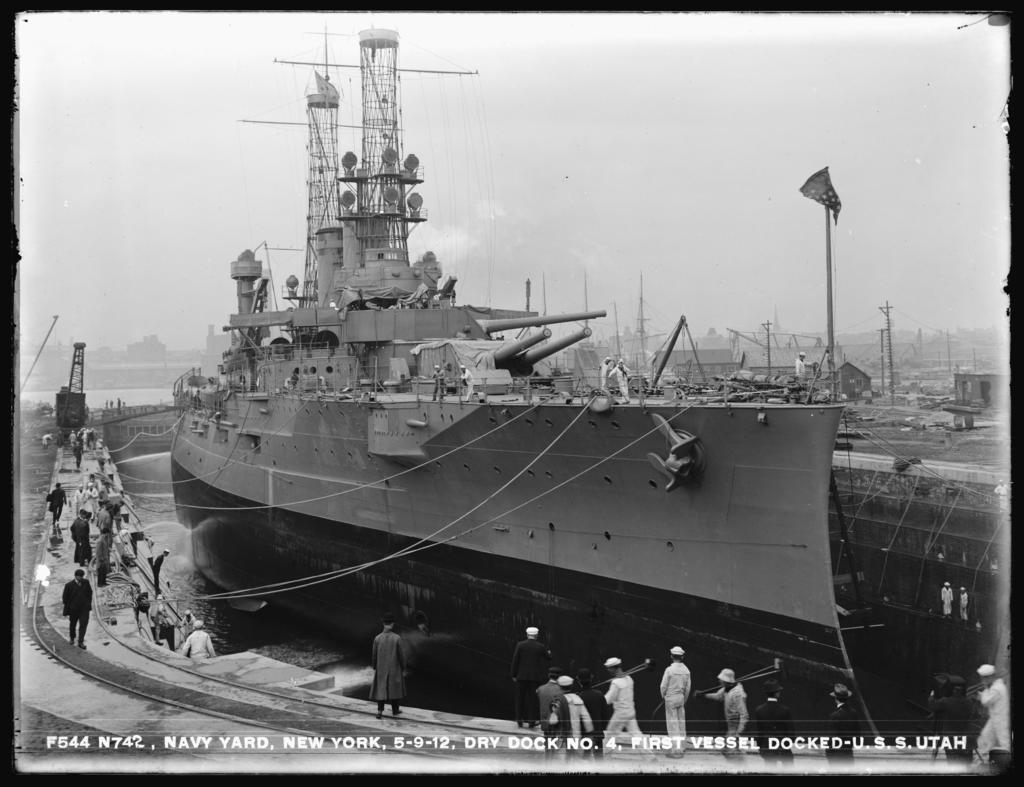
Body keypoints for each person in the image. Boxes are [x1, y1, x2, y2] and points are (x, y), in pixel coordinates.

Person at [927, 677, 975, 769]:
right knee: (967, 764)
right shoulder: (969, 702)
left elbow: (932, 705)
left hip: (951, 739)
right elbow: (976, 715)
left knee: (954, 764)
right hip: (967, 739)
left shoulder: (945, 701)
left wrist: (932, 695)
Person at [511, 625, 551, 728]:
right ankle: (531, 721)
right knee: (532, 700)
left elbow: (515, 660)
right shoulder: (540, 646)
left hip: (521, 676)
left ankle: (519, 720)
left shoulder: (520, 645)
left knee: (520, 698)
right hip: (535, 678)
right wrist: (549, 653)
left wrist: (514, 674)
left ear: (527, 634)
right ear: (536, 635)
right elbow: (548, 658)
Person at [703, 668, 749, 754]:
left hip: (735, 724)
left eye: (721, 679)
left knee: (729, 751)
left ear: (726, 681)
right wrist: (704, 695)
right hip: (730, 724)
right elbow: (718, 696)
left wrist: (738, 732)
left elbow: (744, 715)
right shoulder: (726, 688)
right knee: (729, 749)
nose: (719, 680)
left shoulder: (738, 694)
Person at [752, 679, 795, 768]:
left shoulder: (759, 710)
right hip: (783, 746)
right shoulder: (785, 710)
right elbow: (791, 732)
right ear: (777, 693)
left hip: (767, 746)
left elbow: (760, 732)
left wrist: (760, 747)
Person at [370, 613, 406, 719]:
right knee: (394, 689)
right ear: (392, 624)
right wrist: (403, 667)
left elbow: (374, 655)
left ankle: (380, 712)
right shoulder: (397, 638)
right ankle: (395, 711)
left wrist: (375, 666)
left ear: (383, 623)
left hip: (381, 668)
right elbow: (401, 655)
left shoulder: (377, 638)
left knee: (381, 689)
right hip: (394, 668)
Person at [975, 664, 1010, 774]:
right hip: (995, 719)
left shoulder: (997, 689)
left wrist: (981, 695)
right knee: (984, 740)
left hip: (1000, 721)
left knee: (1005, 744)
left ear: (990, 677)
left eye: (984, 678)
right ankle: (983, 763)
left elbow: (986, 701)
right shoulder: (994, 686)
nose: (982, 680)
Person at [660, 646, 691, 756]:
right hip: (681, 698)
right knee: (681, 722)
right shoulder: (686, 670)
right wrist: (684, 699)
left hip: (671, 698)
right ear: (682, 657)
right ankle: (682, 747)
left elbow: (663, 686)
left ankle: (676, 751)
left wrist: (663, 697)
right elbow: (688, 688)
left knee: (673, 725)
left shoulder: (669, 670)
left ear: (671, 656)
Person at [824, 683, 861, 767]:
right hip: (849, 755)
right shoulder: (854, 713)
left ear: (836, 699)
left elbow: (832, 739)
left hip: (837, 757)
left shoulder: (834, 716)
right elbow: (858, 735)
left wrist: (829, 754)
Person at [603, 657, 641, 737]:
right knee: (637, 735)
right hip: (630, 712)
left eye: (609, 668)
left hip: (621, 714)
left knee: (609, 736)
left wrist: (599, 699)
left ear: (614, 668)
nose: (608, 670)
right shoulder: (629, 679)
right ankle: (646, 750)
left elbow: (608, 700)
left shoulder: (616, 683)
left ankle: (607, 750)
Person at [558, 674, 593, 759]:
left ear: (560, 687)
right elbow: (587, 718)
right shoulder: (578, 699)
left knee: (561, 759)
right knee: (574, 758)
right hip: (575, 734)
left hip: (560, 735)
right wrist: (589, 731)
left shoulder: (558, 700)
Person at [576, 668, 608, 759]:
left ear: (578, 680)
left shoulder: (578, 697)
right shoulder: (599, 694)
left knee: (586, 758)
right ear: (591, 678)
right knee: (599, 758)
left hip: (585, 733)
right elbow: (605, 714)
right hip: (598, 732)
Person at [61, 568, 92, 649]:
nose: (81, 578)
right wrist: (70, 607)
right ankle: (72, 638)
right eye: (79, 577)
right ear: (75, 576)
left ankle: (81, 641)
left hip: (84, 609)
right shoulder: (69, 585)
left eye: (82, 577)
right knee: (73, 624)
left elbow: (90, 593)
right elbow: (65, 598)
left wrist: (88, 604)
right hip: (73, 610)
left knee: (83, 625)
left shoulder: (86, 582)